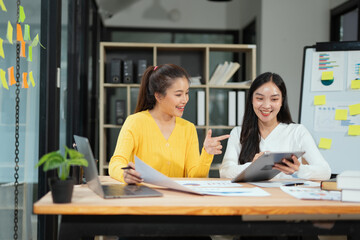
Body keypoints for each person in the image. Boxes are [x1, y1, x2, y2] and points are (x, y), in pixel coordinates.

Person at [109, 63, 229, 184]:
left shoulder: (188, 128)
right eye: (178, 94)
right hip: (144, 197)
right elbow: (116, 162)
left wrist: (207, 153)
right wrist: (124, 174)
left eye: (187, 93)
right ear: (159, 96)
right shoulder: (135, 122)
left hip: (176, 200)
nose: (185, 100)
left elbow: (195, 176)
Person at [220, 72, 331, 180]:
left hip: (285, 197)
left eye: (274, 99)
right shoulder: (238, 132)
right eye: (259, 98)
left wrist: (299, 170)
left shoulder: (298, 131)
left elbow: (325, 171)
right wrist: (252, 166)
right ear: (251, 100)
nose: (266, 106)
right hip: (251, 197)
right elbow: (225, 172)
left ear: (282, 101)